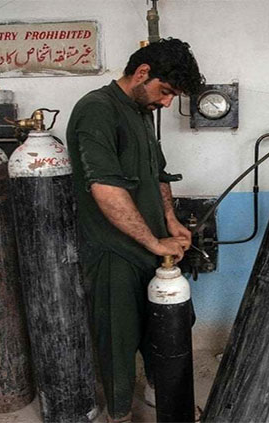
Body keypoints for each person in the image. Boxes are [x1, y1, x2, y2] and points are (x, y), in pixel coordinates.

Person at [66, 38, 203, 422]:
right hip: (114, 251)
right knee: (118, 342)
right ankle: (120, 414)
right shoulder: (96, 109)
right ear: (142, 73)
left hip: (151, 245)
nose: (166, 103)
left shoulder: (142, 112)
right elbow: (106, 190)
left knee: (172, 325)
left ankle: (161, 396)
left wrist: (171, 222)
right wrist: (152, 239)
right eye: (166, 91)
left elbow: (157, 174)